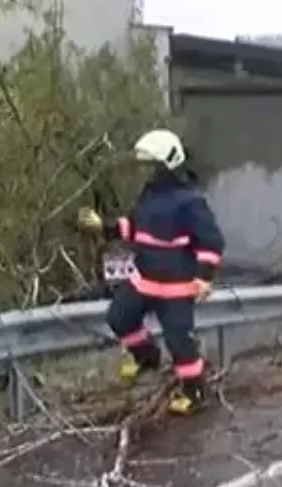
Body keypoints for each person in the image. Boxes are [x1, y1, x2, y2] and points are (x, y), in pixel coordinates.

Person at [77, 129, 226, 416]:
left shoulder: (190, 201)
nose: (147, 171)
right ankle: (147, 357)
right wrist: (103, 227)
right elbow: (134, 227)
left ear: (167, 164)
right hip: (144, 278)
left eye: (151, 165)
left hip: (176, 287)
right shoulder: (150, 195)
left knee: (179, 340)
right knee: (119, 316)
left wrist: (203, 277)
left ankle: (194, 392)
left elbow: (211, 241)